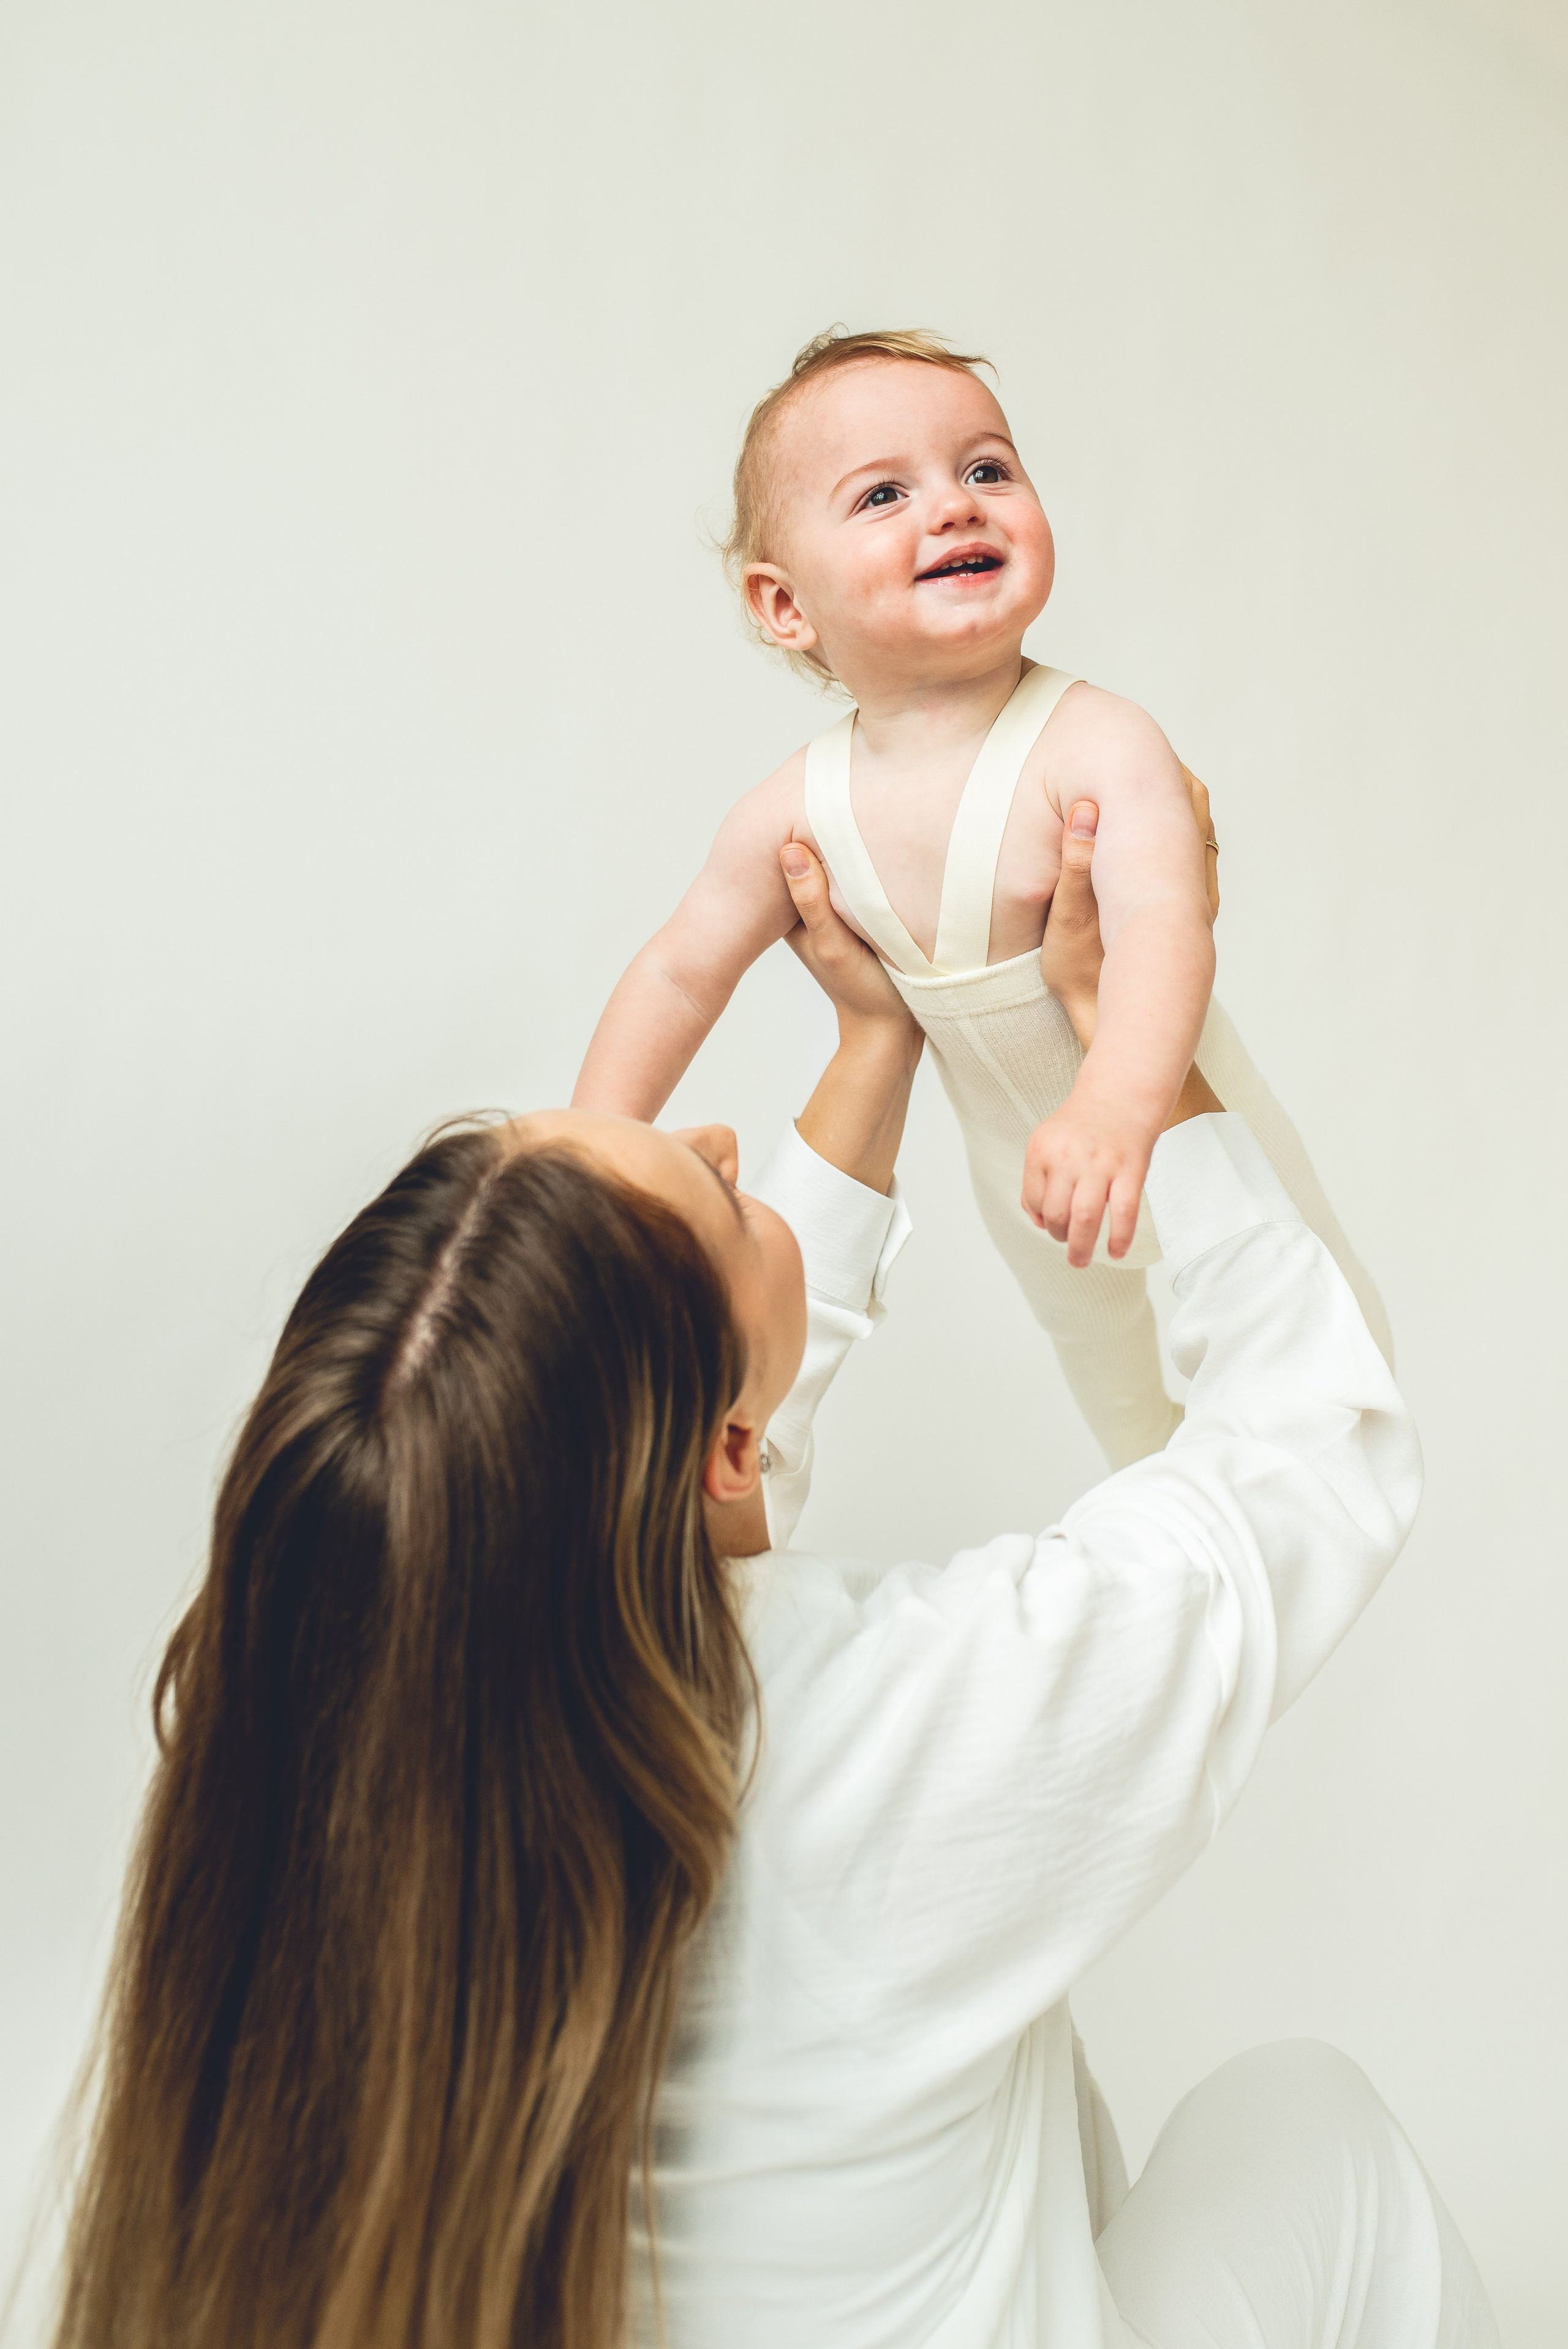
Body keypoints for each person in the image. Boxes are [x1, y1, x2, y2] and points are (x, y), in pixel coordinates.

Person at [47, 812, 1497, 2349]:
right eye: (714, 1194)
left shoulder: (297, 1727)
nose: (728, 1141)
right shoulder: (895, 1725)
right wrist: (1127, 1031)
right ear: (719, 1453)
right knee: (1305, 2127)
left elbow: (664, 1480)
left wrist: (872, 1047)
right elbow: (1312, 1452)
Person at [573, 326, 1390, 1469]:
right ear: (783, 603)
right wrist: (590, 1149)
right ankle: (1154, 1497)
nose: (955, 507)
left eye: (987, 469)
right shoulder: (797, 808)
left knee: (1323, 1313)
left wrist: (1116, 1102)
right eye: (883, 495)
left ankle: (1321, 1456)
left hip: (1172, 1112)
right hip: (1023, 1174)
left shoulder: (1095, 741)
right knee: (1100, 1358)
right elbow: (679, 968)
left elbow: (1164, 924)